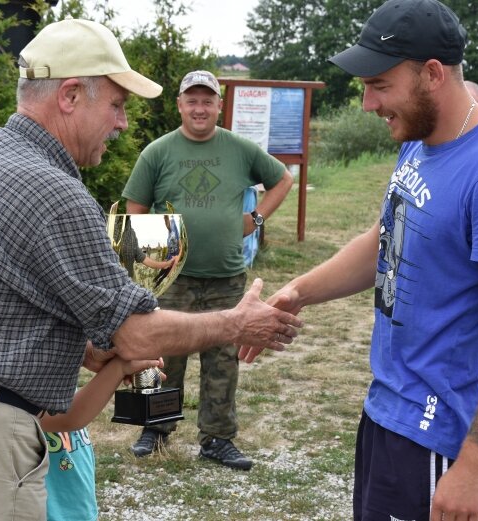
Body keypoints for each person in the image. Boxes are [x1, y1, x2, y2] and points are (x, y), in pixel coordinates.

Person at [0, 19, 301, 521]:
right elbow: (139, 336)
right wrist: (235, 322)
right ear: (71, 95)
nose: (122, 123)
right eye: (117, 105)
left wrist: (85, 349)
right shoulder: (52, 190)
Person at [240, 1, 478, 519]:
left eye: (379, 84)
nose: (367, 103)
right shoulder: (421, 140)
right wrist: (298, 291)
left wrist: (475, 466)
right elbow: (386, 238)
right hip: (389, 408)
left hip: (440, 434)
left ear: (432, 74)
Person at [122, 69, 294, 470]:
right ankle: (154, 428)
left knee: (223, 360)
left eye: (207, 100)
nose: (200, 108)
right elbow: (135, 207)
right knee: (159, 355)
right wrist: (147, 260)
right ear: (180, 105)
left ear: (220, 105)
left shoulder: (239, 149)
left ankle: (218, 439)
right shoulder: (157, 152)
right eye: (192, 100)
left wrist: (257, 219)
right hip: (171, 277)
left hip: (227, 275)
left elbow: (282, 179)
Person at [41, 350, 164, 521]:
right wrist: (118, 368)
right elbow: (67, 418)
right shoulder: (10, 379)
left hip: (77, 507)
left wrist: (86, 352)